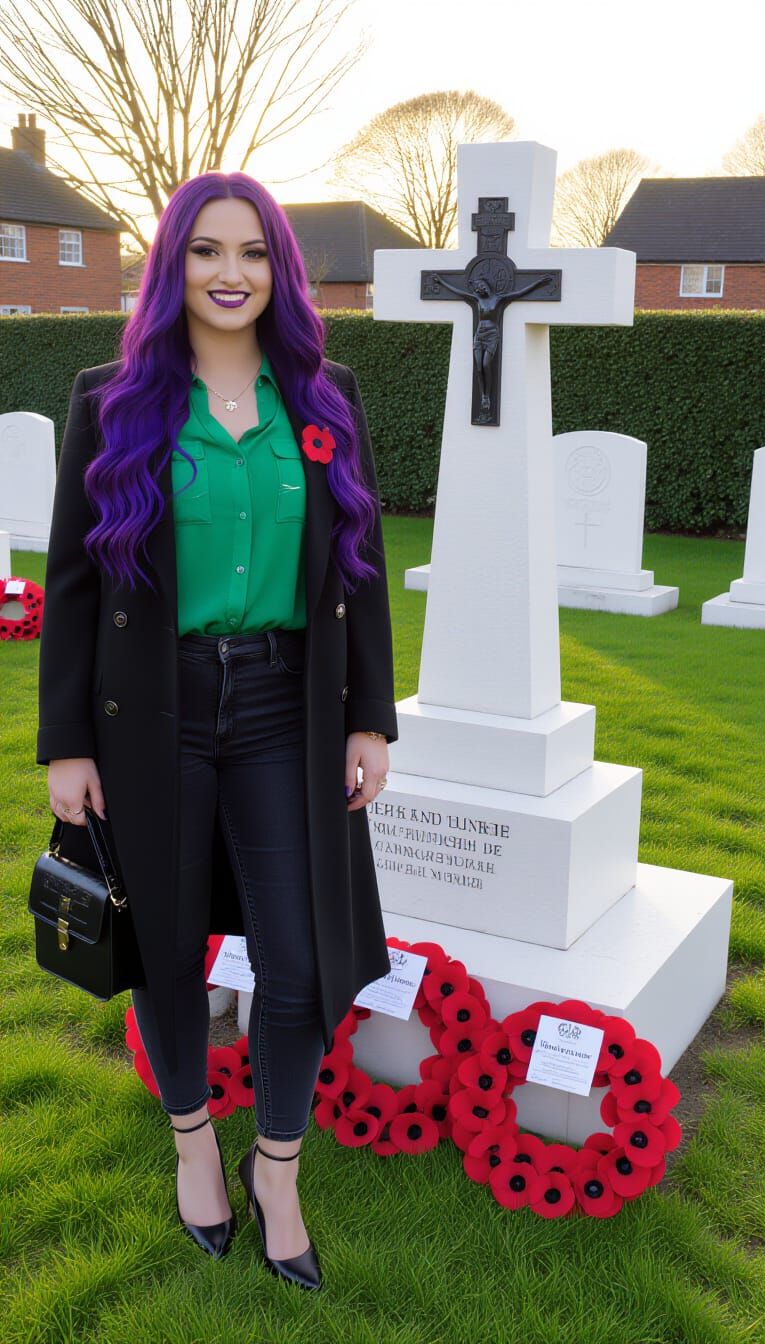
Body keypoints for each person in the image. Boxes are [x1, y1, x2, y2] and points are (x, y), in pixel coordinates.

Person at [36, 173, 398, 1291]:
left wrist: (370, 718)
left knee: (300, 962)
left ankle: (276, 1169)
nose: (229, 274)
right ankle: (197, 1144)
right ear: (171, 265)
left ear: (280, 269)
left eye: (252, 253)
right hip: (156, 712)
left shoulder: (326, 397)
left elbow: (361, 569)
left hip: (288, 706)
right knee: (168, 945)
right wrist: (66, 744)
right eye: (205, 252)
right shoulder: (113, 400)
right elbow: (75, 583)